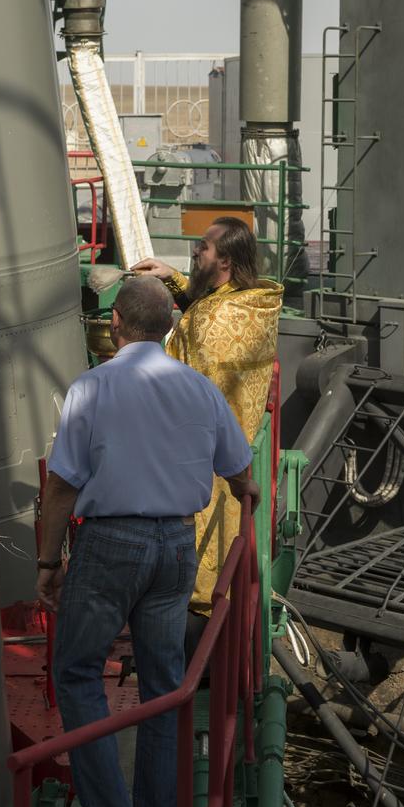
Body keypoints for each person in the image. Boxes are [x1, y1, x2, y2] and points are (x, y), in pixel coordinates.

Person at [37, 275, 259, 807]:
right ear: (169, 327)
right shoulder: (200, 389)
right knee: (166, 687)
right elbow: (241, 471)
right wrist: (247, 501)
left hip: (112, 544)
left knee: (78, 672)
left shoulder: (92, 387)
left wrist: (46, 562)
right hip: (176, 548)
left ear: (115, 324)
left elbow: (62, 485)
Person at [132, 218, 282, 615]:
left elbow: (177, 388)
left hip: (201, 467)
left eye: (204, 247)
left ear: (226, 261)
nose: (196, 251)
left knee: (197, 576)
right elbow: (208, 304)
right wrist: (174, 278)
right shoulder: (251, 304)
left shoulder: (210, 322)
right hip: (231, 457)